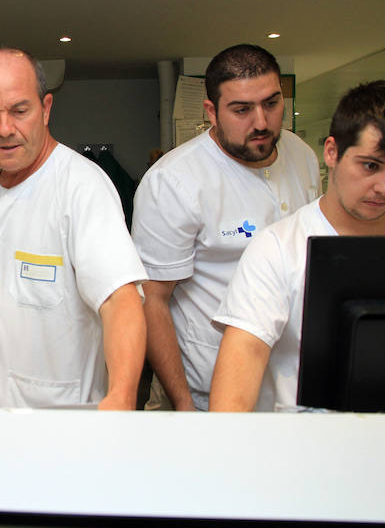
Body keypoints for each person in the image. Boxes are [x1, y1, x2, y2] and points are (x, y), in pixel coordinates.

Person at [0, 48, 147, 410]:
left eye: (19, 111)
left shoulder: (82, 186)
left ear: (46, 107)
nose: (4, 130)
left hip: (61, 415)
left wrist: (123, 396)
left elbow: (120, 299)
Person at [210, 80, 385, 412]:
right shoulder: (279, 248)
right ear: (332, 152)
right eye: (370, 165)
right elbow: (236, 384)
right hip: (303, 445)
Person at [131, 44, 320, 411]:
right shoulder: (174, 181)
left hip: (287, 387)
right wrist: (183, 405)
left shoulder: (302, 157)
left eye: (271, 103)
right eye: (242, 109)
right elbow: (152, 301)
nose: (261, 122)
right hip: (204, 386)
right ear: (211, 112)